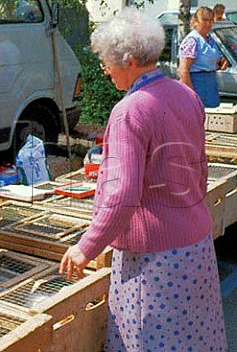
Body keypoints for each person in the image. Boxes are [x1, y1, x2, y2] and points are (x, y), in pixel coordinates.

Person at [59, 8, 227, 351]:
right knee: (194, 341)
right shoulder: (187, 95)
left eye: (108, 61)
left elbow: (123, 194)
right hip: (195, 244)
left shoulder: (130, 111)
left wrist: (85, 247)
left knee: (149, 341)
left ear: (131, 60)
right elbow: (200, 168)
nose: (105, 69)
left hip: (155, 260)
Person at [178, 6, 228, 108]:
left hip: (211, 86)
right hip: (197, 86)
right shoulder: (192, 40)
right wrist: (192, 95)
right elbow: (183, 70)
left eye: (211, 20)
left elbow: (210, 62)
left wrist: (222, 62)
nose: (208, 24)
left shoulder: (210, 40)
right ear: (196, 21)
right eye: (205, 20)